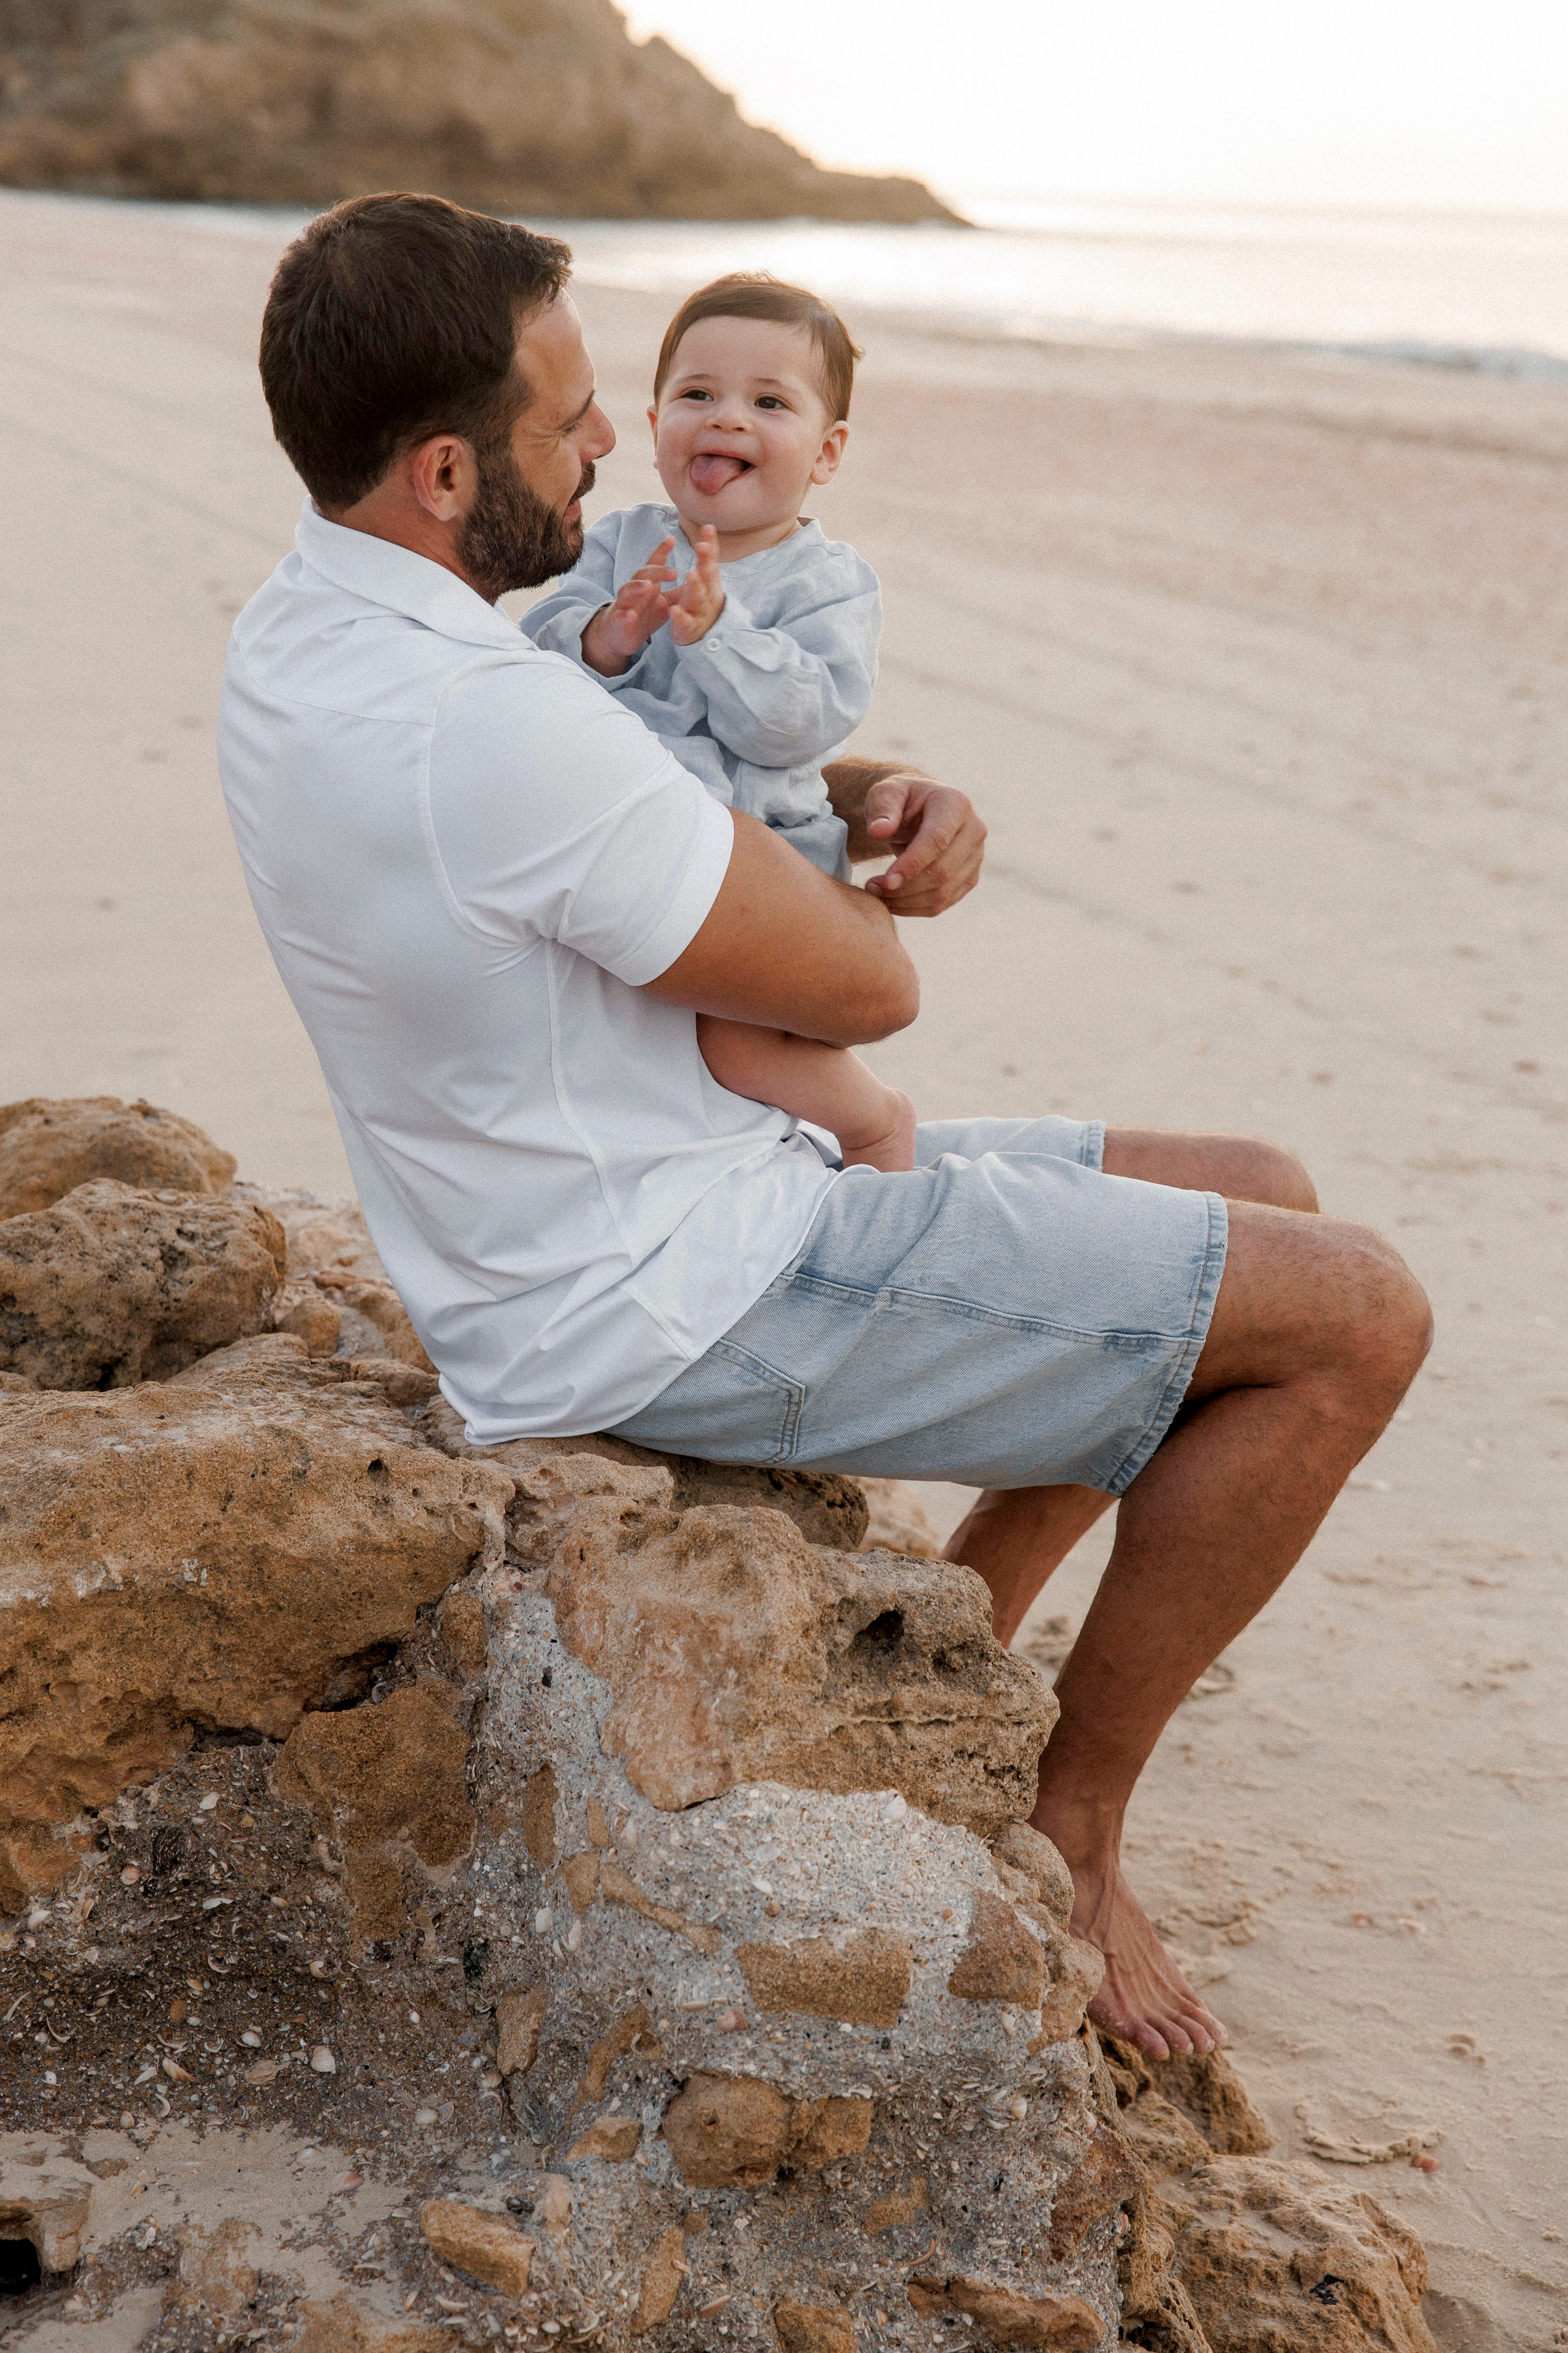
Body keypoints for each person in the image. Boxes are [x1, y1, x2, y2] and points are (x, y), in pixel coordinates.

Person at [224, 192, 1432, 2061]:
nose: (614, 442)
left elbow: (655, 792)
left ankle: (967, 1648)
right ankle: (1074, 1820)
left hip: (647, 1185)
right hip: (682, 1280)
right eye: (569, 421)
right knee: (1356, 1314)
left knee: (1259, 1195)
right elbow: (864, 993)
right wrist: (878, 879)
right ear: (452, 471)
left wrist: (878, 785)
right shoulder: (485, 727)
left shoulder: (318, 636)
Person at [521, 273, 914, 1173]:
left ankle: (873, 1124)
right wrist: (606, 634)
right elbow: (535, 662)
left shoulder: (830, 584)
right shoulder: (622, 542)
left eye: (770, 402)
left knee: (737, 1046)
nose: (727, 418)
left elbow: (802, 724)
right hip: (642, 848)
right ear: (655, 426)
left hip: (765, 866)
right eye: (697, 394)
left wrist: (718, 635)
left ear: (826, 452)